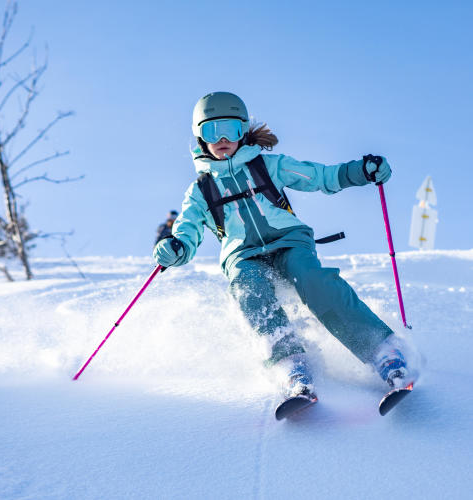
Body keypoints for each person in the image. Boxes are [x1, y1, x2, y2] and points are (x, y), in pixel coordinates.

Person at [153, 91, 415, 402]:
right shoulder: (200, 190)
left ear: (243, 131)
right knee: (247, 287)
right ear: (200, 137)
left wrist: (358, 171)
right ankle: (290, 365)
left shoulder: (268, 165)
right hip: (243, 255)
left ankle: (384, 352)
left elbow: (320, 176)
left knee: (313, 280)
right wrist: (175, 248)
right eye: (212, 131)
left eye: (232, 129)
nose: (223, 138)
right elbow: (188, 230)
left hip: (289, 241)